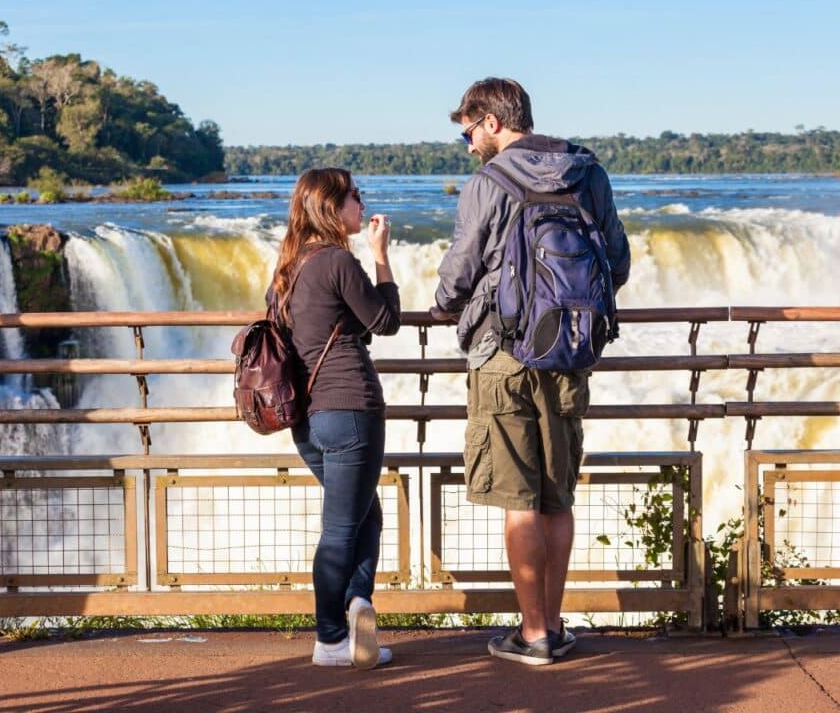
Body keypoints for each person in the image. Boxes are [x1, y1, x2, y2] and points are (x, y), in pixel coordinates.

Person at [431, 78, 631, 665]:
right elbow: (616, 261)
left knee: (519, 498)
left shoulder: (488, 183)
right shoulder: (587, 172)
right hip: (569, 351)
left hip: (504, 353)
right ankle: (556, 623)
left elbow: (460, 272)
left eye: (469, 131)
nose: (468, 145)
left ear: (492, 121)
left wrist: (443, 306)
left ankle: (534, 633)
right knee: (557, 497)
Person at [269, 168, 400, 669]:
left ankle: (357, 608)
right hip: (351, 410)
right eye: (355, 197)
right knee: (343, 528)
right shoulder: (337, 261)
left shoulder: (287, 269)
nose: (362, 206)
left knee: (366, 516)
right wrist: (381, 255)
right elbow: (386, 321)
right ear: (331, 207)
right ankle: (330, 638)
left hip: (306, 421)